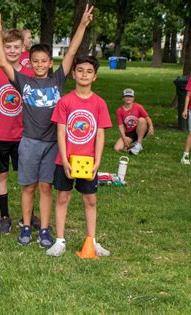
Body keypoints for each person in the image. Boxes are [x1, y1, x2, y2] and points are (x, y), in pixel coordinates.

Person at [0, 4, 94, 248]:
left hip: (52, 145)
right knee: (28, 187)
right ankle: (26, 226)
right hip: (28, 142)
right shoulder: (23, 81)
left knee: (46, 187)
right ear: (30, 62)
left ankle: (45, 230)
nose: (39, 64)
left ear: (50, 63)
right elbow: (3, 62)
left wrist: (81, 24)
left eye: (44, 61)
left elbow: (71, 53)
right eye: (35, 61)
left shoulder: (58, 80)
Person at [47, 55, 112, 257]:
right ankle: (59, 241)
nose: (84, 74)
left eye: (89, 71)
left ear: (95, 77)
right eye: (81, 70)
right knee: (63, 197)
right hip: (65, 160)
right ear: (73, 74)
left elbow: (100, 133)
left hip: (89, 162)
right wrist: (65, 159)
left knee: (90, 200)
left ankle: (92, 240)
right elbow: (61, 132)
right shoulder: (65, 102)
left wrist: (98, 161)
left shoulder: (99, 103)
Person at [0, 29, 35, 234]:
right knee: (1, 176)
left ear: (23, 48)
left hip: (24, 134)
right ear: (1, 48)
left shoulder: (29, 72)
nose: (12, 51)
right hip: (0, 133)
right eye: (7, 47)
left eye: (16, 47)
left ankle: (29, 215)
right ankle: (4, 216)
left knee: (27, 176)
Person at [114, 88, 154, 155]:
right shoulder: (119, 110)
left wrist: (151, 127)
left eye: (130, 96)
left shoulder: (138, 106)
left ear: (133, 98)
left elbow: (147, 118)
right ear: (123, 98)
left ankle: (139, 145)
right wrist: (124, 138)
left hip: (139, 129)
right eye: (126, 96)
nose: (128, 98)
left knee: (142, 119)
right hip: (129, 132)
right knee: (117, 148)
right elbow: (120, 126)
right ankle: (133, 144)